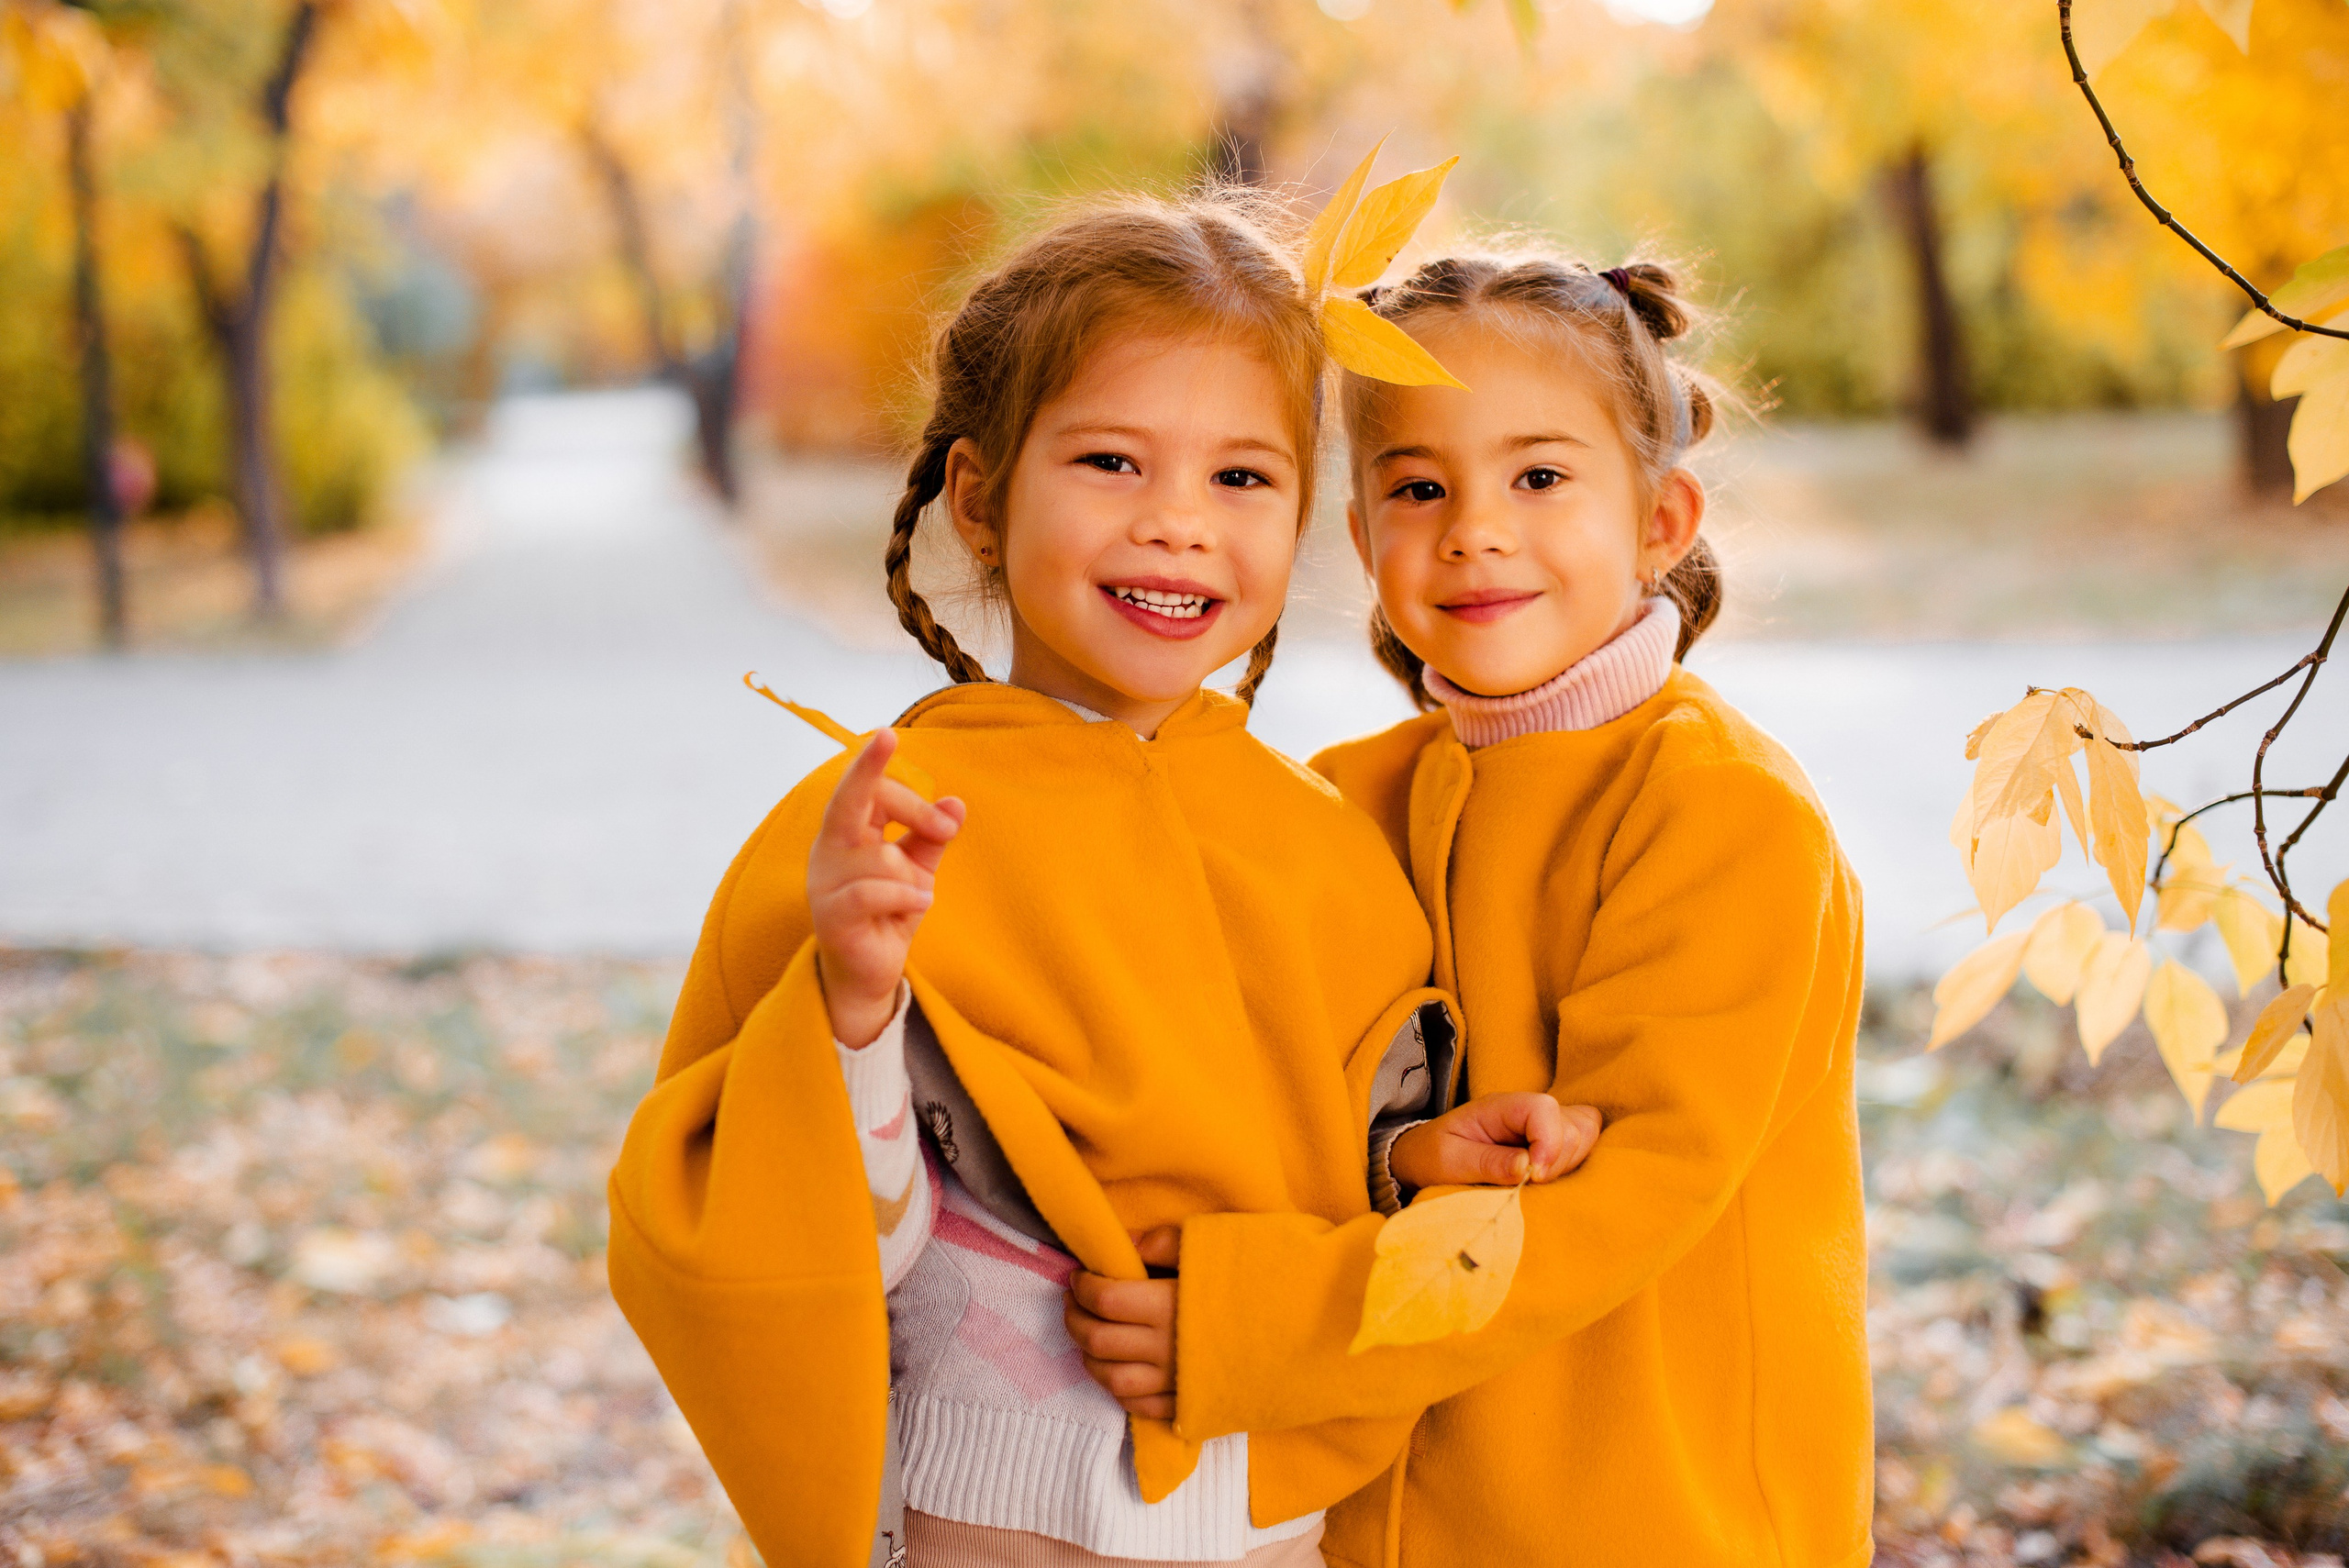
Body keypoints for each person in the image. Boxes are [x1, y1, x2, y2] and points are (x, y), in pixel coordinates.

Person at [607, 195, 1600, 1568]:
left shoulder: (1312, 842)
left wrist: (1423, 1153)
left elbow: (1328, 1163)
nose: (1179, 525)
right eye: (1114, 461)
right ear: (981, 499)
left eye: (1241, 479)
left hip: (1262, 1520)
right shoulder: (892, 831)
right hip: (991, 1517)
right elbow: (831, 1250)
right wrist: (850, 1001)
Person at [1066, 249, 1873, 1568]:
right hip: (1390, 1519)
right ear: (1363, 535)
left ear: (1662, 520)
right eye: (1420, 485)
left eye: (1540, 477)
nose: (1474, 528)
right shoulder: (1354, 797)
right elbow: (1303, 1094)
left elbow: (1615, 1203)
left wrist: (1260, 1325)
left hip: (1655, 1523)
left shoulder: (1721, 814)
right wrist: (1399, 1158)